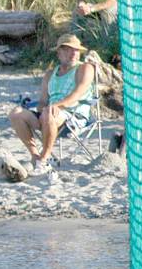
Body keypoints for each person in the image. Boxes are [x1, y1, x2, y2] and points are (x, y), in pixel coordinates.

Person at [8, 34, 95, 175]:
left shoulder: (84, 68)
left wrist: (56, 106)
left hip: (74, 115)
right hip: (49, 115)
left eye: (76, 50)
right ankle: (35, 156)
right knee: (15, 113)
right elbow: (42, 101)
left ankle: (44, 160)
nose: (73, 53)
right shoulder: (50, 74)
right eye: (68, 49)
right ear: (59, 53)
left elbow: (77, 94)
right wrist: (43, 109)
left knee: (49, 113)